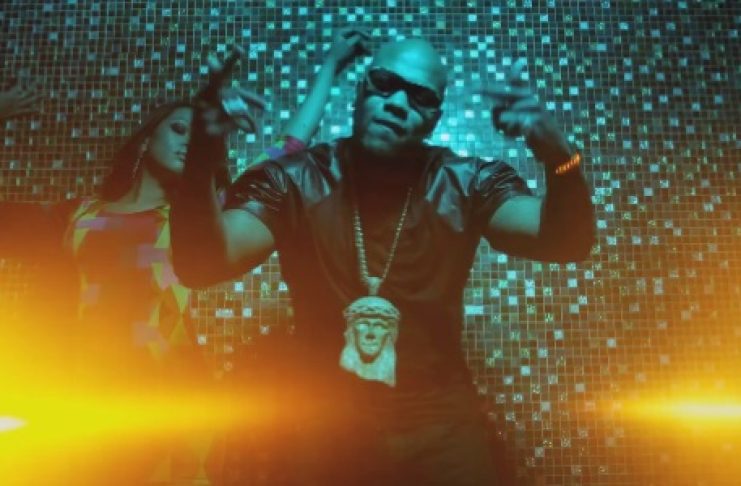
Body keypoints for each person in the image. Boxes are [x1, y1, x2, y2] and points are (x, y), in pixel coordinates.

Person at [172, 37, 595, 484]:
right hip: (324, 432)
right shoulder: (295, 179)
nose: (397, 103)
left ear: (434, 118)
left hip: (442, 428)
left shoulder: (467, 181)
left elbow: (566, 242)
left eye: (420, 97)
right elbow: (204, 264)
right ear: (360, 90)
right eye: (385, 83)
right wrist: (201, 158)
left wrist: (558, 154)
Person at [0, 28, 369, 484]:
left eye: (198, 138)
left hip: (173, 409)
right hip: (80, 407)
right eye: (178, 130)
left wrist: (330, 66)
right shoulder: (75, 216)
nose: (188, 142)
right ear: (146, 139)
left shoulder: (196, 222)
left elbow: (289, 149)